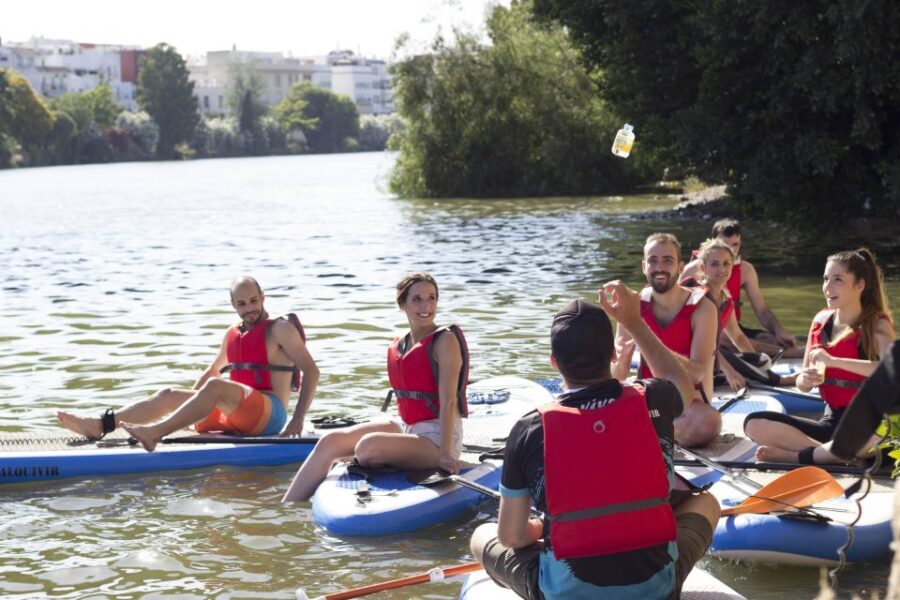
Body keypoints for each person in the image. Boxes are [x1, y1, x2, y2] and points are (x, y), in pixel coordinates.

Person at [469, 282, 720, 600]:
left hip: (566, 592)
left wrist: (539, 528)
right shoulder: (652, 397)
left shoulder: (530, 428)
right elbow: (682, 382)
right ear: (614, 353)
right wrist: (633, 321)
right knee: (706, 502)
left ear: (554, 361)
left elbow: (511, 536)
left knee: (482, 535)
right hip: (658, 590)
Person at [57, 276, 320, 451]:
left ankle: (154, 433)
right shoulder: (233, 334)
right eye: (241, 304)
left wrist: (297, 420)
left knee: (217, 387)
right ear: (233, 305)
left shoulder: (280, 329)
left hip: (269, 416)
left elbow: (312, 371)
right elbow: (212, 371)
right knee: (169, 394)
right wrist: (187, 410)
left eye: (253, 301)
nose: (249, 308)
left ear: (263, 297)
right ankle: (101, 425)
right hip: (237, 412)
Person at [281, 272, 467, 502]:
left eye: (431, 298)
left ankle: (370, 456)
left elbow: (448, 401)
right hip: (406, 425)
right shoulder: (402, 343)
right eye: (417, 299)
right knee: (330, 441)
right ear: (402, 304)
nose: (426, 305)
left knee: (367, 447)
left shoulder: (444, 341)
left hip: (438, 436)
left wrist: (446, 454)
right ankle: (286, 507)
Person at [745, 249, 895, 464]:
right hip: (832, 420)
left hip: (871, 423)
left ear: (860, 285)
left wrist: (834, 362)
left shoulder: (876, 324)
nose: (828, 287)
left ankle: (800, 456)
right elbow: (802, 383)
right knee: (754, 424)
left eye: (837, 280)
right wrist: (804, 380)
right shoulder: (820, 321)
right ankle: (839, 457)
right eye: (826, 279)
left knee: (870, 441)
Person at [612, 233, 721, 447]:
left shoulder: (703, 308)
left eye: (667, 260)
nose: (659, 268)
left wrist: (642, 333)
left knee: (708, 423)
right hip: (649, 396)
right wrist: (614, 363)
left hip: (689, 402)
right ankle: (655, 433)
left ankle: (648, 433)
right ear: (644, 266)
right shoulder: (631, 305)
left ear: (681, 267)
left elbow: (697, 371)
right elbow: (620, 374)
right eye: (653, 261)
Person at [681, 218, 801, 357]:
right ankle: (793, 354)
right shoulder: (691, 271)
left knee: (771, 340)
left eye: (735, 244)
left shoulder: (745, 271)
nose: (731, 250)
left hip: (731, 326)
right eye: (725, 244)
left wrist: (779, 331)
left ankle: (780, 351)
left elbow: (761, 310)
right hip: (703, 331)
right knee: (727, 340)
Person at [681, 238, 758, 391]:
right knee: (729, 360)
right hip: (689, 360)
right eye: (714, 264)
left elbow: (737, 336)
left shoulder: (726, 299)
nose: (721, 269)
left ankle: (758, 374)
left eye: (726, 264)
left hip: (711, 358)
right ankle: (782, 381)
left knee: (759, 360)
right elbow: (707, 347)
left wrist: (754, 362)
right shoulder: (697, 296)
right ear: (703, 268)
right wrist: (730, 372)